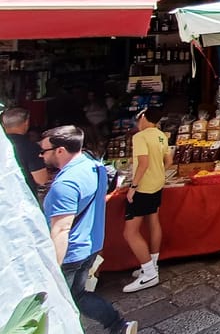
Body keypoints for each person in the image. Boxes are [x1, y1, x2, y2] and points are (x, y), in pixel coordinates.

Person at [40, 125, 137, 334]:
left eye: (44, 151)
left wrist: (52, 269)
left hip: (69, 252)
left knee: (58, 303)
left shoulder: (64, 184)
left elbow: (61, 230)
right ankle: (118, 325)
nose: (41, 155)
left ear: (60, 150)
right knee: (78, 294)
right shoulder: (94, 165)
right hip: (91, 243)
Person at [122, 108, 172, 292]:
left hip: (143, 188)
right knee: (153, 221)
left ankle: (149, 273)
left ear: (143, 117)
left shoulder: (140, 137)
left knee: (130, 232)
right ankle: (152, 264)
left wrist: (133, 187)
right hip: (157, 185)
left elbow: (142, 163)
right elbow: (169, 160)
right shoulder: (161, 136)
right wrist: (158, 173)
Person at [2, 106, 48, 199]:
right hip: (22, 200)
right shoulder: (30, 148)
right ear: (26, 123)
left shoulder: (3, 144)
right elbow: (42, 180)